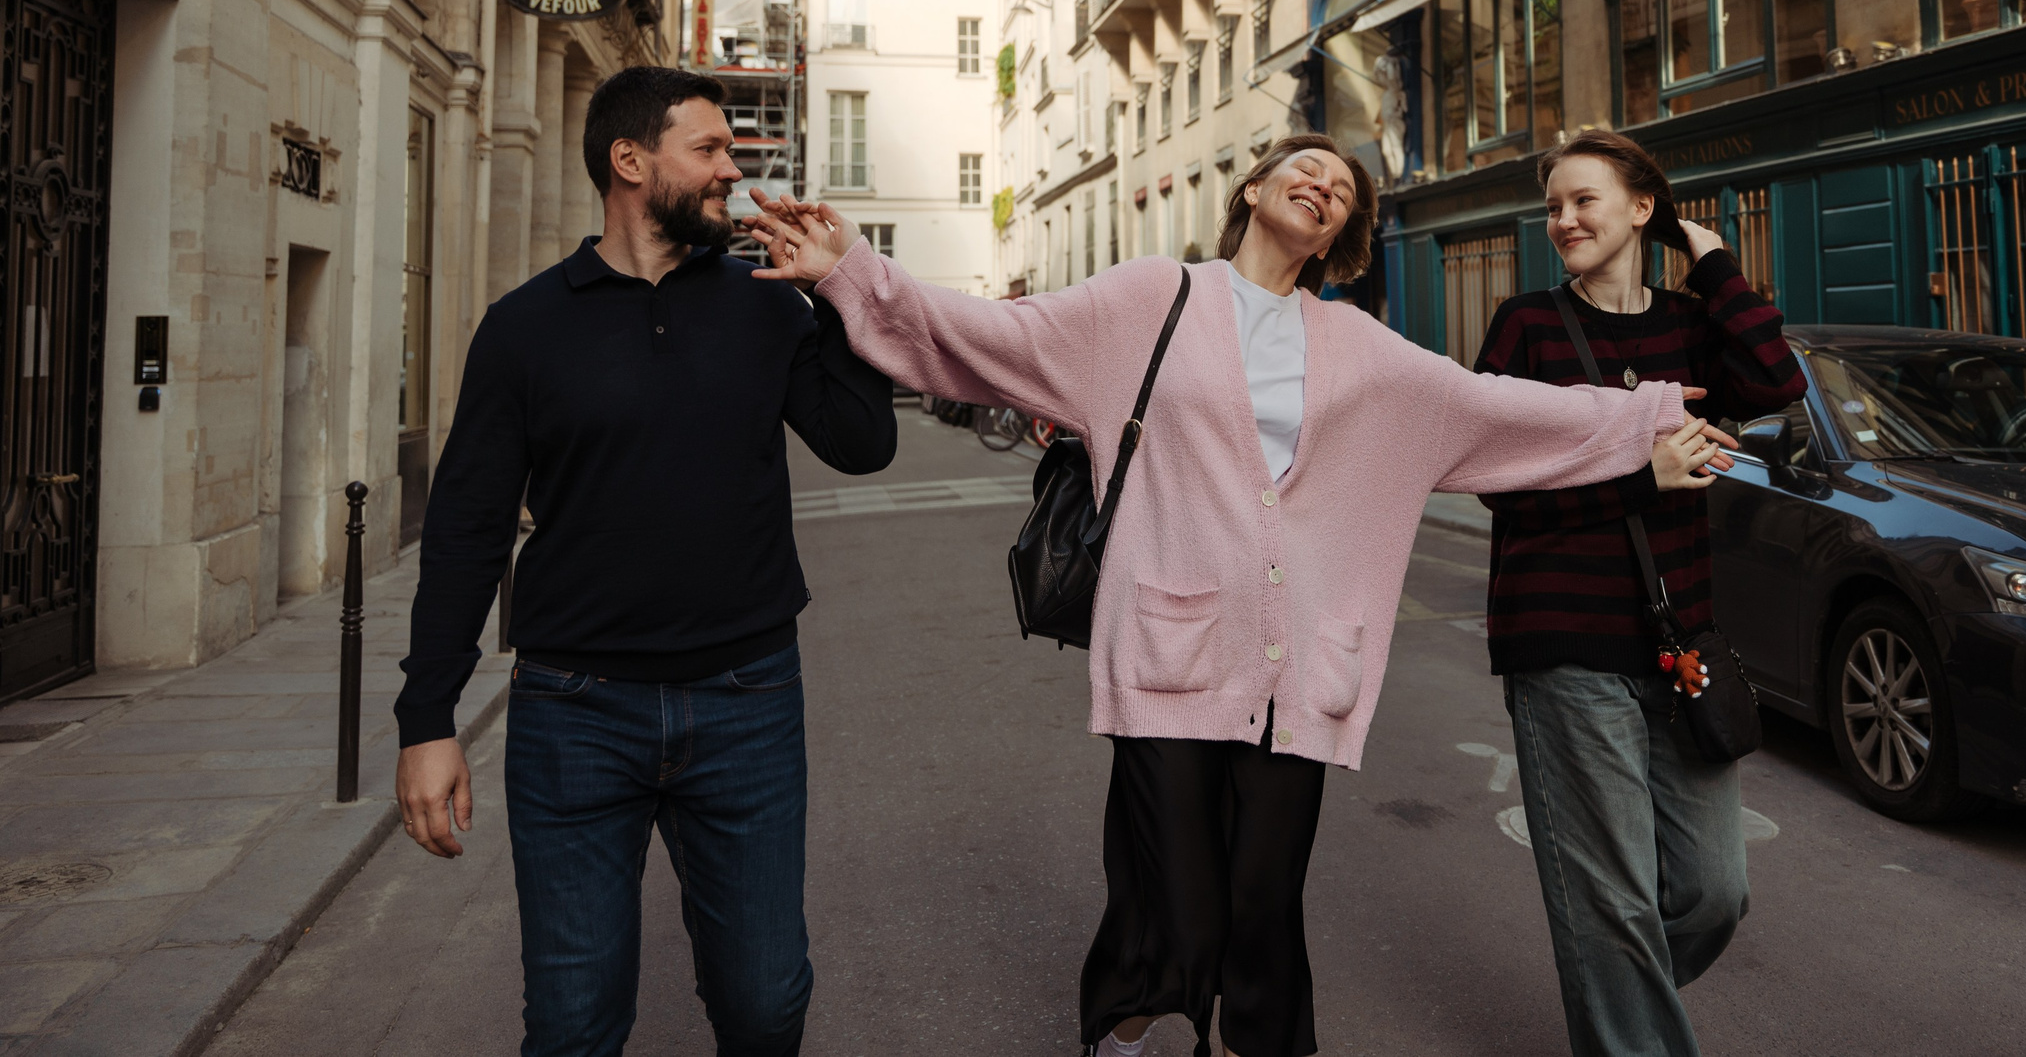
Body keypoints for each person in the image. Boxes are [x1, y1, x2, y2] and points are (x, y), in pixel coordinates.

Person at [744, 133, 1729, 1057]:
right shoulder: (1152, 297)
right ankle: (1130, 1020)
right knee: (1177, 900)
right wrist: (851, 272)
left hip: (1294, 672)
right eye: (1306, 169)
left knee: (1263, 906)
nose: (1324, 186)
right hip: (1168, 651)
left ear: (1337, 237)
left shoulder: (1358, 347)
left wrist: (1639, 421)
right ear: (1253, 190)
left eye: (1342, 191)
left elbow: (1487, 408)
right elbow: (992, 335)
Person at [391, 66, 898, 1057]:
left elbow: (861, 442)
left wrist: (840, 291)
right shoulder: (525, 327)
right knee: (573, 1023)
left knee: (765, 1003)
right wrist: (427, 719)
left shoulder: (764, 304)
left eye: (731, 150)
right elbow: (465, 530)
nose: (732, 170)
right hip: (574, 711)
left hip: (747, 699)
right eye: (708, 149)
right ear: (630, 160)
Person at [1472, 129, 1807, 1057]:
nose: (1564, 219)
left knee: (1712, 891)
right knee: (1612, 902)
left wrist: (1716, 265)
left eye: (1584, 199)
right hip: (1563, 644)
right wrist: (1636, 477)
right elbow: (1492, 479)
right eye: (1553, 205)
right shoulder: (1527, 326)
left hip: (1680, 645)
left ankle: (1615, 993)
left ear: (1641, 207)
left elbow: (1778, 380)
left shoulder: (1692, 326)